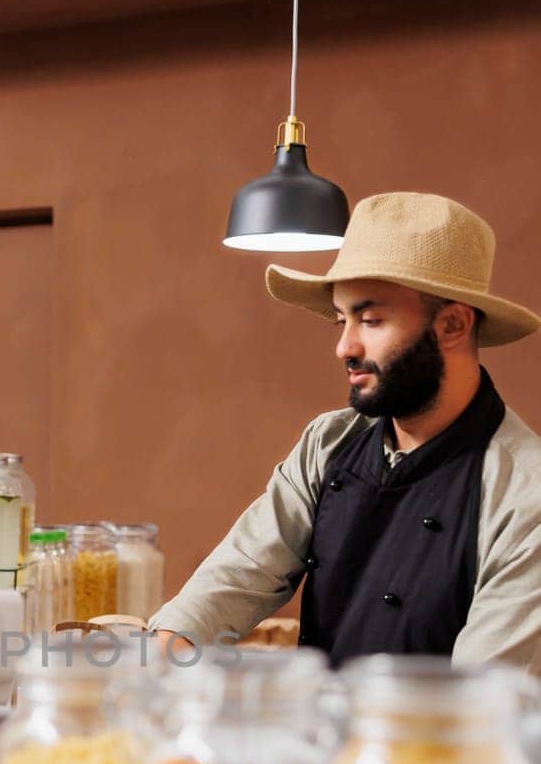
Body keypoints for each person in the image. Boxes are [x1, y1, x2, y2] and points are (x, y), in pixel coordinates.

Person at [151, 192, 541, 673]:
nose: (344, 346)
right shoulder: (328, 442)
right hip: (321, 738)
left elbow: (475, 704)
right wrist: (160, 657)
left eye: (371, 320)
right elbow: (239, 575)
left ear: (453, 324)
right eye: (342, 319)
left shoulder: (526, 496)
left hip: (433, 745)